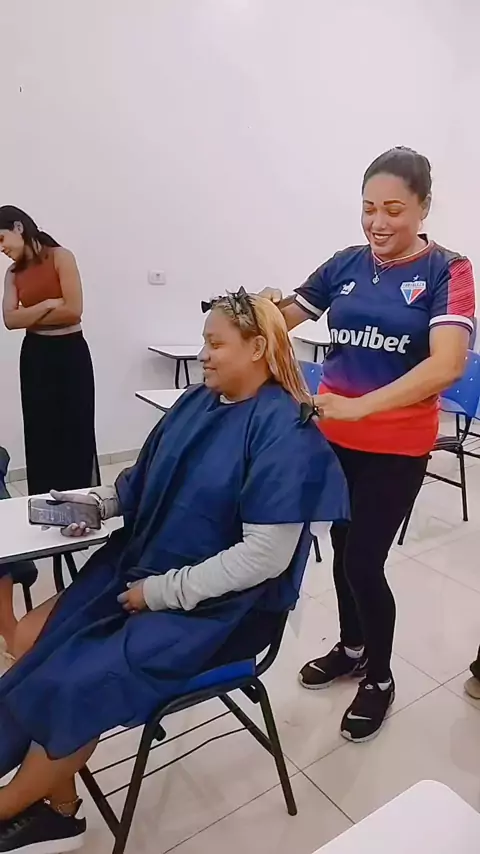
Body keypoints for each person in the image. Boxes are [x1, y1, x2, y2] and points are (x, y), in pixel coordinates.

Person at [0, 291, 348, 852]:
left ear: (257, 348)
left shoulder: (287, 432)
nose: (203, 355)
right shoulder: (196, 403)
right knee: (36, 642)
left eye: (216, 344)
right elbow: (141, 480)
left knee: (74, 682)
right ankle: (58, 807)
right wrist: (99, 506)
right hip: (145, 567)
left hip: (222, 610)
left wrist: (161, 593)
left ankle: (16, 806)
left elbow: (263, 558)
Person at [261, 146, 476, 742]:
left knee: (363, 559)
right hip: (335, 440)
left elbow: (447, 365)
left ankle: (379, 677)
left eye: (393, 210)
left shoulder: (449, 270)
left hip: (396, 445)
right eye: (368, 208)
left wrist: (362, 406)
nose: (378, 222)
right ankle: (352, 647)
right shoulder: (346, 264)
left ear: (423, 207)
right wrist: (258, 310)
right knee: (340, 542)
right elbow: (284, 318)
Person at [1, 206, 99, 497]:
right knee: (39, 431)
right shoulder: (12, 273)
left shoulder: (60, 257)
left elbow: (73, 310)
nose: (2, 248)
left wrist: (28, 314)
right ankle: (44, 502)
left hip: (71, 353)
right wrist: (47, 304)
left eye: (2, 239)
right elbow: (9, 320)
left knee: (76, 428)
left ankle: (79, 502)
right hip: (35, 355)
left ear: (18, 227)